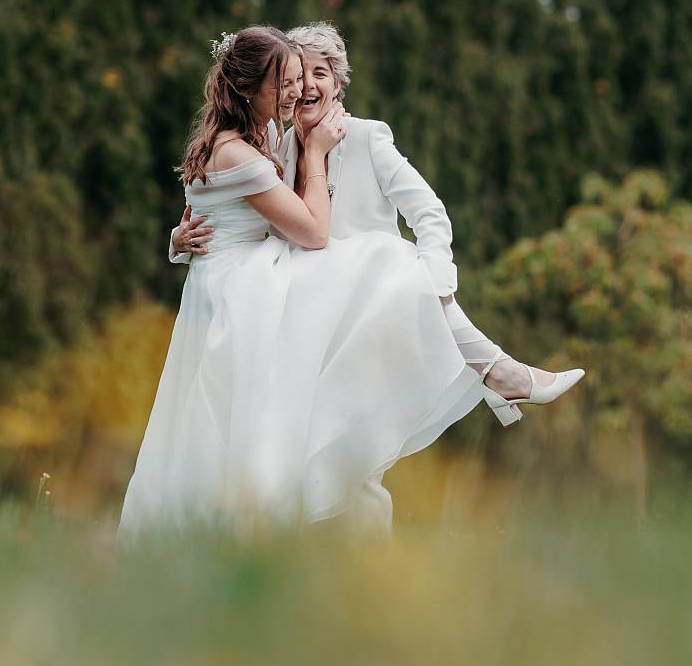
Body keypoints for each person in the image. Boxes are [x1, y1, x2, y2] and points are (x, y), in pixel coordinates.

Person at [168, 21, 584, 532]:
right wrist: (179, 241)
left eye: (318, 74)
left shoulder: (366, 138)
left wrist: (433, 286)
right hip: (294, 324)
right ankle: (500, 375)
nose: (305, 88)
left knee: (357, 457)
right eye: (296, 77)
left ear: (338, 85)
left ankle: (498, 374)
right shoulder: (273, 144)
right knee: (303, 459)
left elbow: (429, 214)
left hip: (364, 320)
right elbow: (239, 216)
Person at [118, 26, 487, 539]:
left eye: (303, 78)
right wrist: (314, 157)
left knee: (283, 412)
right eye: (285, 82)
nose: (295, 92)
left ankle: (487, 364)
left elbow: (210, 217)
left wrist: (178, 240)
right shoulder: (240, 152)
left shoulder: (261, 135)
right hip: (238, 297)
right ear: (251, 88)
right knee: (378, 261)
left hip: (232, 285)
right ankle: (487, 364)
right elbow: (313, 232)